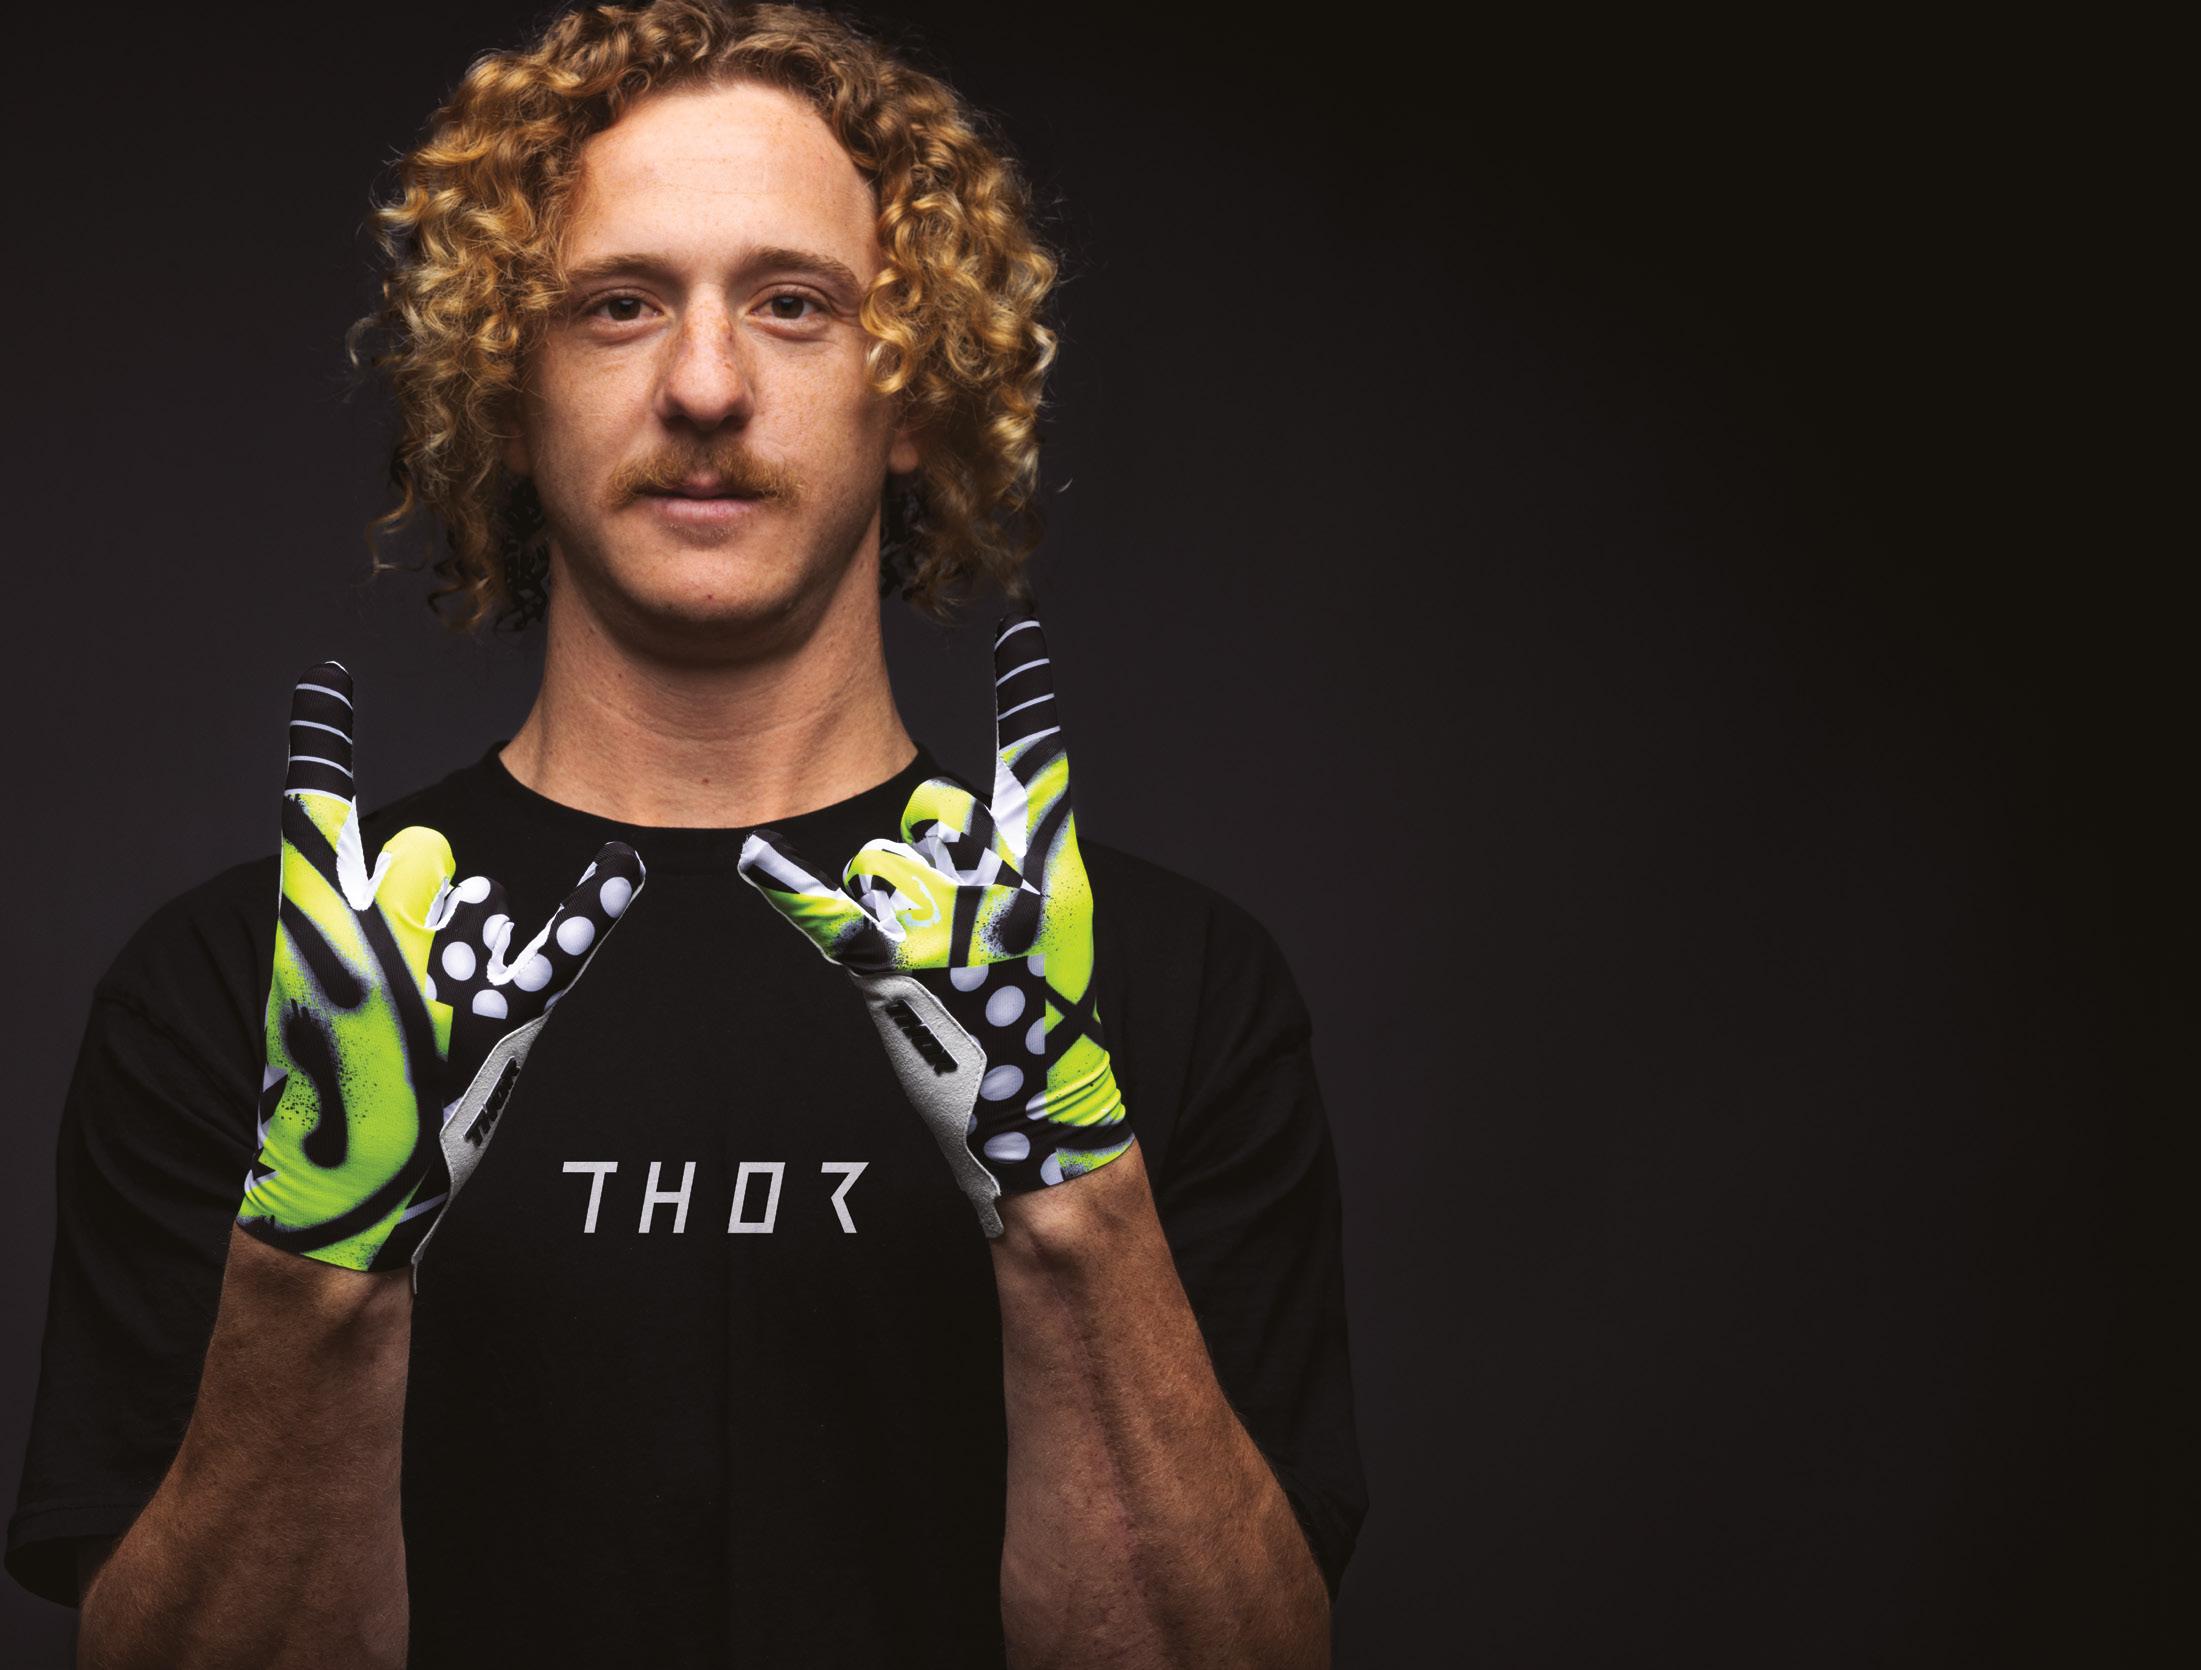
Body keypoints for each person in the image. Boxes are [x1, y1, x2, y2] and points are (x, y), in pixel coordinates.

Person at [6, 3, 1365, 1664]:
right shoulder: (271, 989)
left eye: (794, 304)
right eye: (618, 305)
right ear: (509, 393)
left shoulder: (1160, 988)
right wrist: (315, 1263)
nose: (706, 386)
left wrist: (1074, 1190)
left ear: (914, 392)